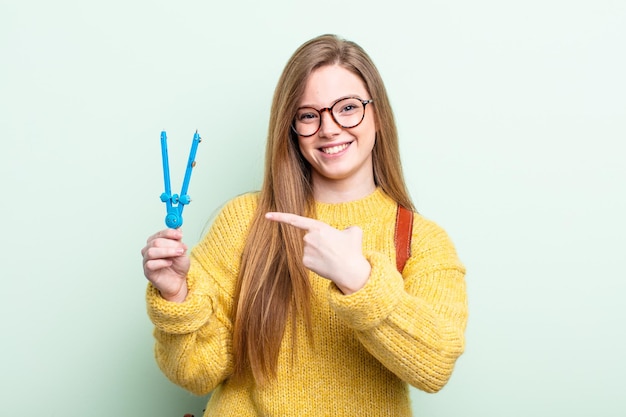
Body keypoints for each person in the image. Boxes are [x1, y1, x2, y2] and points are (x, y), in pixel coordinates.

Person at [141, 34, 468, 417]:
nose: (329, 128)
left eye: (347, 108)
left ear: (377, 114)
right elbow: (197, 374)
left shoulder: (421, 240)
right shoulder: (245, 221)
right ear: (291, 129)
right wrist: (176, 296)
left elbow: (435, 366)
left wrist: (359, 279)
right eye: (309, 115)